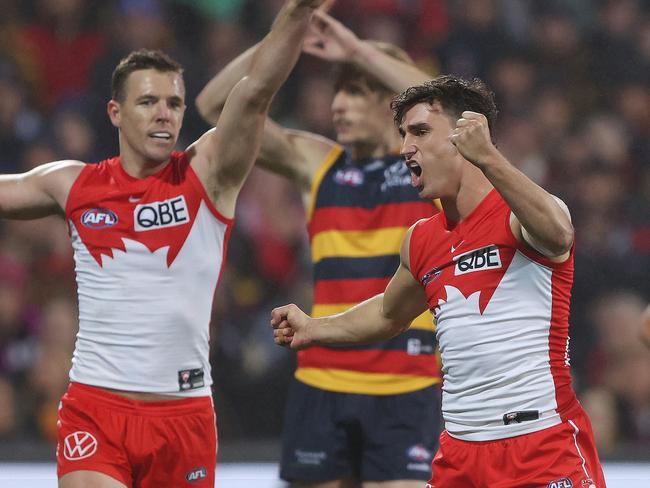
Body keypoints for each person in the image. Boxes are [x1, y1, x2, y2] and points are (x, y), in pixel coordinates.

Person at [0, 1, 324, 487]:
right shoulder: (72, 185)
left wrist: (297, 12)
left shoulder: (206, 175)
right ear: (115, 111)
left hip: (183, 414)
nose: (164, 114)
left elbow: (255, 92)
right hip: (96, 408)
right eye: (148, 102)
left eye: (173, 103)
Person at [271, 75, 607, 488]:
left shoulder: (519, 214)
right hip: (459, 455)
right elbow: (387, 313)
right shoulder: (421, 239)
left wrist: (490, 158)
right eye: (402, 134)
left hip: (539, 446)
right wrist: (315, 327)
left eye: (421, 131)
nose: (404, 148)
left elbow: (559, 234)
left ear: (468, 134)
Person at [197, 11, 442, 487]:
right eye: (338, 90)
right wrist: (289, 27)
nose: (338, 105)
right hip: (322, 381)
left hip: (406, 386)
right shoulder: (318, 164)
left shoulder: (431, 168)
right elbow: (215, 106)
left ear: (395, 104)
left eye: (357, 91)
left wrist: (356, 50)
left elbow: (448, 105)